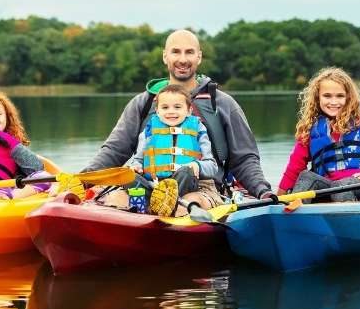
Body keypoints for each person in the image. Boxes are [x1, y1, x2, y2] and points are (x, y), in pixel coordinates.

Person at [82, 29, 272, 211]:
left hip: (202, 188)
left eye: (189, 52)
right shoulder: (144, 103)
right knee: (117, 199)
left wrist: (262, 191)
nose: (182, 59)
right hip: (150, 183)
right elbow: (114, 151)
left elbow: (245, 159)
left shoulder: (223, 104)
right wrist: (83, 179)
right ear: (165, 56)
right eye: (176, 52)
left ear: (199, 57)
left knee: (185, 205)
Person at [277, 67, 360, 201]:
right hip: (328, 187)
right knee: (306, 177)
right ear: (318, 98)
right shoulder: (310, 129)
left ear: (348, 97)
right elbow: (293, 169)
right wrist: (277, 199)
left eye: (340, 96)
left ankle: (346, 218)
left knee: (342, 186)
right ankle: (292, 215)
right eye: (327, 96)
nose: (333, 102)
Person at [128, 84, 218, 216]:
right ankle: (154, 202)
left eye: (177, 107)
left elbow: (212, 166)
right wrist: (135, 167)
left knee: (186, 171)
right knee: (129, 176)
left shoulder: (198, 128)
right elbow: (138, 160)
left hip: (182, 183)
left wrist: (197, 165)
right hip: (153, 185)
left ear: (188, 110)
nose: (171, 111)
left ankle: (168, 203)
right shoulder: (149, 130)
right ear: (157, 111)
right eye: (165, 107)